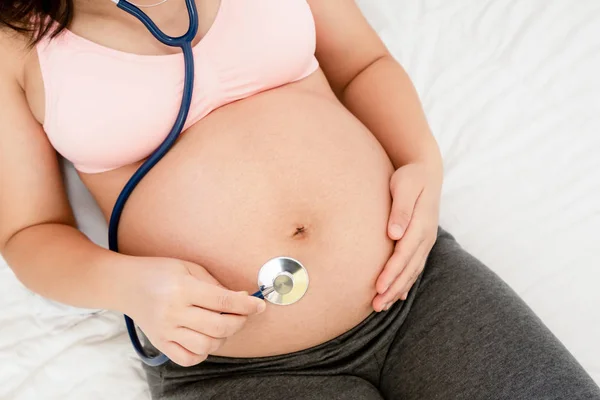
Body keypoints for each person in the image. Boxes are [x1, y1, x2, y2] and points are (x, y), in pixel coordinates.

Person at [1, 1, 599, 399]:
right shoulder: (14, 38)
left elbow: (364, 62)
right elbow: (27, 235)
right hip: (236, 367)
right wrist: (129, 287)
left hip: (419, 291)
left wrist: (421, 159)